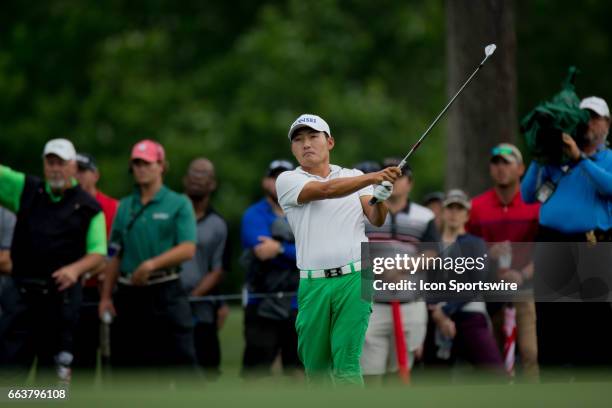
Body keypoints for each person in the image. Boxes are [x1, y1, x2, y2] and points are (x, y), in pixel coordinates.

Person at [275, 113, 401, 385]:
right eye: (299, 140)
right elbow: (326, 190)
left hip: (357, 277)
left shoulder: (354, 177)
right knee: (316, 370)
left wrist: (379, 196)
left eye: (313, 137)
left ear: (329, 142)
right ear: (293, 148)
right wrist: (373, 177)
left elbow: (377, 218)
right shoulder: (288, 180)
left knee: (347, 363)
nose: (306, 144)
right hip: (313, 283)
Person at [0, 139, 107, 383]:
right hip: (21, 298)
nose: (55, 168)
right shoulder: (26, 189)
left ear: (72, 167)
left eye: (61, 163)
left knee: (51, 382)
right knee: (7, 377)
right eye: (50, 163)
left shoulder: (89, 207)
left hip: (60, 302)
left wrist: (75, 269)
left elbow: (98, 252)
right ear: (44, 166)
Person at [521, 96, 612, 374]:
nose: (589, 124)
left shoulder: (606, 158)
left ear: (607, 124)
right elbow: (527, 196)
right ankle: (554, 386)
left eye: (595, 118)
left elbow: (608, 186)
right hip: (551, 244)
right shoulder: (554, 160)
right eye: (584, 117)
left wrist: (580, 159)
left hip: (591, 244)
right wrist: (540, 156)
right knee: (551, 323)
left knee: (593, 325)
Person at [98, 139, 198, 373]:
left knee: (183, 365)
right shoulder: (124, 206)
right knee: (129, 367)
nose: (141, 168)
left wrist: (151, 264)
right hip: (129, 294)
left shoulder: (178, 203)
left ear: (161, 165)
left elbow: (187, 248)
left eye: (147, 163)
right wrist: (105, 297)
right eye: (136, 164)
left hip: (166, 291)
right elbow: (114, 253)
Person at [360, 159, 438, 382]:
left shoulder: (424, 216)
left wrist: (400, 269)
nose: (393, 180)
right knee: (370, 373)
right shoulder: (364, 209)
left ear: (410, 184)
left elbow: (432, 254)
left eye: (399, 176)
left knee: (401, 372)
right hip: (370, 302)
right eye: (388, 174)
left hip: (410, 303)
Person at [467, 143, 540, 380]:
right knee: (495, 360)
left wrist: (523, 275)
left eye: (506, 163)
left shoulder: (535, 205)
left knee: (530, 353)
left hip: (524, 288)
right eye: (495, 163)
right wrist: (488, 254)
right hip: (490, 291)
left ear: (521, 169)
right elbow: (466, 252)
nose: (500, 168)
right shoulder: (477, 207)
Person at [424, 190, 504, 374]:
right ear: (443, 212)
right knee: (433, 378)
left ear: (467, 215)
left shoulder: (475, 243)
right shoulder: (431, 245)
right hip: (434, 317)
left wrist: (445, 311)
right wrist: (435, 310)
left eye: (459, 209)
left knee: (494, 372)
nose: (454, 213)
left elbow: (476, 282)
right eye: (450, 208)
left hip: (469, 313)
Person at [240, 159, 301, 377]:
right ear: (266, 182)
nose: (279, 183)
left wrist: (280, 249)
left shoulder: (304, 211)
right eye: (275, 178)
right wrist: (294, 249)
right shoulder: (253, 214)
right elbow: (261, 251)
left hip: (299, 302)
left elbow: (314, 253)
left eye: (285, 178)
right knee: (256, 374)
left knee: (298, 373)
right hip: (261, 301)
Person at [180, 158, 229, 379]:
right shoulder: (171, 216)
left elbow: (219, 269)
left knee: (205, 372)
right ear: (185, 180)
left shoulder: (218, 223)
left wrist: (194, 296)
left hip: (203, 308)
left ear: (213, 184)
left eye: (204, 175)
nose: (198, 179)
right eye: (194, 174)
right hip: (167, 303)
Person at [73, 152, 119, 370]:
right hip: (74, 290)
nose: (77, 176)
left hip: (103, 290)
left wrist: (99, 269)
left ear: (96, 175)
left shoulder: (112, 207)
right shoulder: (64, 205)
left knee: (113, 357)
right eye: (74, 171)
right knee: (80, 359)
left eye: (82, 171)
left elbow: (115, 250)